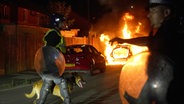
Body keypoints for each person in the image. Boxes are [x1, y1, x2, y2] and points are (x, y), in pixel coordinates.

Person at [110, 0, 184, 103]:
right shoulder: (162, 33)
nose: (148, 15)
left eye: (153, 11)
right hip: (157, 81)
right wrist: (124, 41)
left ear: (166, 13)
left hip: (169, 87)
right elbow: (148, 41)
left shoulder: (173, 34)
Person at [35, 13, 70, 104]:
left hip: (51, 65)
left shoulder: (56, 33)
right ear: (56, 23)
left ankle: (40, 102)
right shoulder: (53, 34)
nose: (63, 24)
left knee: (47, 83)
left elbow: (57, 49)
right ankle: (67, 102)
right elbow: (49, 50)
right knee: (62, 81)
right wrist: (52, 63)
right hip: (51, 65)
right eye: (61, 22)